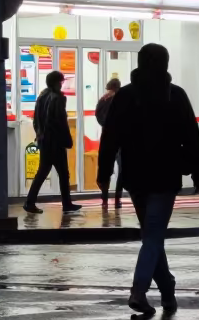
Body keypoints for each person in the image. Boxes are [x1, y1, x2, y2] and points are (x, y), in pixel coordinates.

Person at [98, 43, 199, 316]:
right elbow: (191, 135)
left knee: (151, 235)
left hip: (135, 176)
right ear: (165, 65)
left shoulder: (126, 96)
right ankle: (139, 290)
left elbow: (111, 135)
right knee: (154, 236)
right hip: (165, 175)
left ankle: (167, 290)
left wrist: (104, 170)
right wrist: (198, 168)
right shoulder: (175, 95)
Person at [23, 71, 81, 214]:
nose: (62, 85)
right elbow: (59, 121)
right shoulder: (57, 98)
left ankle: (30, 202)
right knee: (63, 173)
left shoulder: (41, 97)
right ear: (56, 83)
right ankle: (67, 204)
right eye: (61, 82)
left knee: (42, 172)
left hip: (44, 140)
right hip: (55, 142)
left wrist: (39, 134)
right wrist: (67, 139)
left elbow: (36, 120)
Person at [95, 77, 124, 209]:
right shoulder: (120, 97)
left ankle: (105, 198)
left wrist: (105, 125)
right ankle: (118, 198)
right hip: (121, 137)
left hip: (107, 136)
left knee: (106, 168)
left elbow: (97, 114)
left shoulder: (103, 98)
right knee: (122, 168)